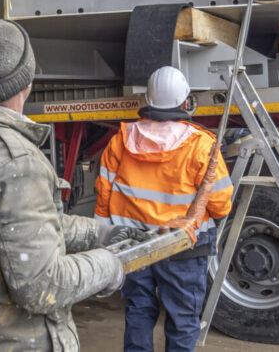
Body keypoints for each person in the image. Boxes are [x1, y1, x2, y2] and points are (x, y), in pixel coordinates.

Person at [0, 17, 133, 351]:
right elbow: (42, 285)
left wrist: (99, 233)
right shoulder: (17, 163)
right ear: (27, 81)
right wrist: (110, 265)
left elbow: (19, 230)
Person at [95, 66, 233, 352]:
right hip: (181, 245)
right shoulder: (201, 145)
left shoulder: (120, 140)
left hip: (133, 244)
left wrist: (103, 238)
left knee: (138, 311)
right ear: (185, 102)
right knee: (183, 320)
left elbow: (104, 195)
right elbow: (220, 204)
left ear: (148, 99)